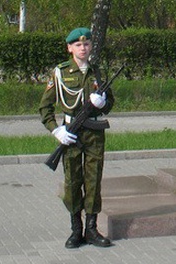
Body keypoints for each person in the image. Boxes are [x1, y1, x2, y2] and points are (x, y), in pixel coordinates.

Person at [39, 27, 115, 248]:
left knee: (93, 180)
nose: (83, 48)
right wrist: (56, 130)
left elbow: (110, 103)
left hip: (94, 135)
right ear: (69, 48)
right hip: (71, 133)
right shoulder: (60, 73)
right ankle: (75, 230)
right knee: (73, 181)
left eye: (87, 44)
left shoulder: (98, 72)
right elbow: (45, 107)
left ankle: (91, 229)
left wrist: (103, 104)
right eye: (78, 45)